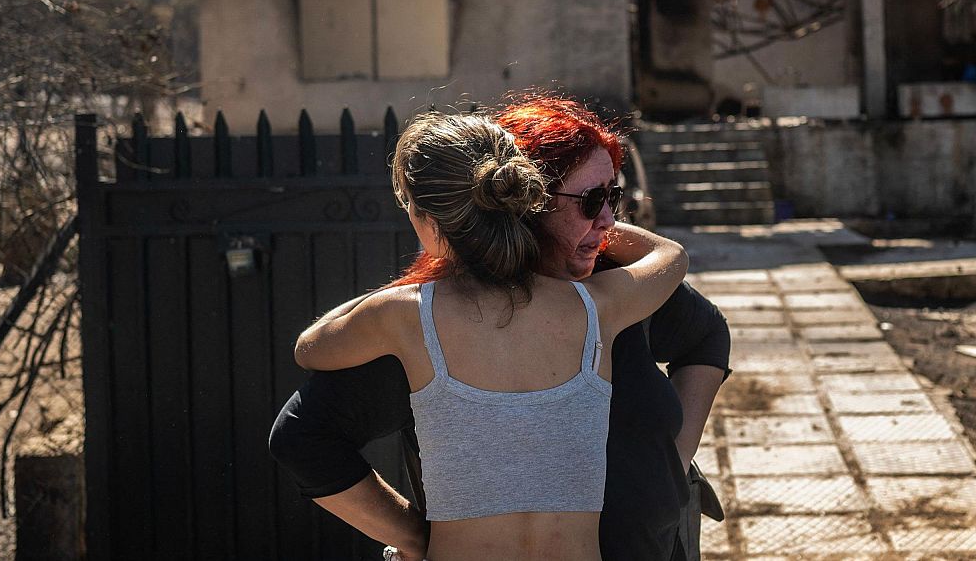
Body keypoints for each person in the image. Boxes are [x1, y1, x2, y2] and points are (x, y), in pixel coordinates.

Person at [271, 96, 732, 560]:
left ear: (425, 219)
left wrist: (394, 299)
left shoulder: (403, 319)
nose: (606, 221)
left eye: (611, 198)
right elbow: (671, 258)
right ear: (526, 200)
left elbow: (309, 348)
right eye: (592, 201)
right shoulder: (598, 308)